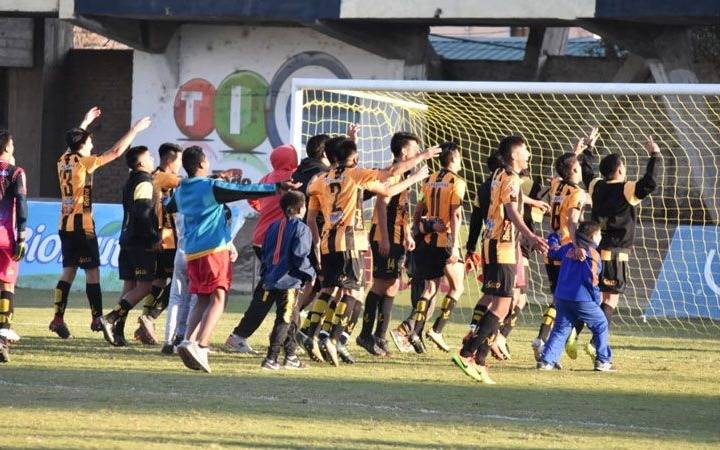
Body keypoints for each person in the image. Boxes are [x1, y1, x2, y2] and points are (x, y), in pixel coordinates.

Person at [306, 138, 436, 366]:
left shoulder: (321, 179)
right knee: (353, 292)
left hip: (328, 242)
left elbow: (310, 191)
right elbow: (388, 179)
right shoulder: (355, 175)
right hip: (349, 241)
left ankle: (311, 332)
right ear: (354, 158)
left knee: (330, 289)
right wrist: (421, 163)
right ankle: (334, 338)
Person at [166, 146, 294, 373]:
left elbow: (169, 206)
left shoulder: (181, 189)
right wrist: (276, 187)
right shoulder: (210, 186)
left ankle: (186, 340)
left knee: (202, 298)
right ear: (202, 164)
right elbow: (241, 190)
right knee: (219, 297)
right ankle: (202, 346)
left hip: (191, 252)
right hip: (213, 249)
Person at [452, 135, 549, 384]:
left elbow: (511, 199)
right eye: (525, 150)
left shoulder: (499, 174)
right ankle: (467, 353)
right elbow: (511, 210)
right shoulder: (512, 178)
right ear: (514, 155)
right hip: (503, 246)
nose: (529, 155)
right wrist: (531, 236)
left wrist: (532, 201)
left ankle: (479, 359)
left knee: (501, 304)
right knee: (502, 306)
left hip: (492, 243)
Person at [50, 109, 151, 339]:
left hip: (64, 224)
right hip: (82, 225)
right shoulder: (84, 162)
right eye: (89, 141)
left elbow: (73, 142)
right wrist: (135, 130)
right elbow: (115, 152)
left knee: (68, 272)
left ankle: (58, 318)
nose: (92, 144)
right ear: (82, 145)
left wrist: (85, 122)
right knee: (92, 272)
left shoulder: (63, 160)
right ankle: (97, 318)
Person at [574, 135, 661, 360]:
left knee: (594, 298)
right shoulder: (627, 189)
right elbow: (650, 182)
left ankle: (573, 332)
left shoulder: (596, 186)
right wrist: (655, 155)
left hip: (596, 250)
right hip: (616, 253)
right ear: (620, 170)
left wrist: (589, 149)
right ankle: (595, 343)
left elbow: (587, 172)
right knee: (610, 300)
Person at [391, 142, 467, 354]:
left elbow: (418, 212)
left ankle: (414, 332)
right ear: (453, 158)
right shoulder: (457, 182)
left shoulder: (430, 180)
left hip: (427, 242)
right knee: (457, 287)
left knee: (430, 289)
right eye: (459, 156)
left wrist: (421, 228)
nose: (461, 160)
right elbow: (456, 214)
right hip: (445, 241)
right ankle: (436, 330)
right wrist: (454, 246)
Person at [225, 143, 299, 354]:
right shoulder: (293, 177)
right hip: (278, 241)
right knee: (275, 291)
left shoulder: (267, 177)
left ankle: (284, 338)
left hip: (261, 238)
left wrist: (265, 210)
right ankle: (244, 336)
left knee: (272, 290)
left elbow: (252, 198)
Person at [531, 128, 598, 361]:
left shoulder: (556, 186)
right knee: (572, 299)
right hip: (568, 250)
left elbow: (563, 169)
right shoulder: (577, 192)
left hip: (551, 246)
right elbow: (572, 221)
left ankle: (543, 340)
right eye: (577, 166)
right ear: (575, 170)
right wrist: (578, 246)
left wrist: (576, 152)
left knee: (558, 298)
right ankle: (549, 341)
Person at [356, 132, 421, 357]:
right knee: (380, 285)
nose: (418, 152)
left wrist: (407, 233)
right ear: (403, 152)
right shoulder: (392, 173)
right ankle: (365, 334)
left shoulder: (405, 174)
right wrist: (384, 237)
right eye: (415, 149)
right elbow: (381, 206)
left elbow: (401, 208)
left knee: (392, 286)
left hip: (397, 236)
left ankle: (380, 335)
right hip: (385, 236)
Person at [99, 146, 161, 347]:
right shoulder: (144, 181)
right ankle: (110, 318)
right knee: (145, 287)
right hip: (140, 242)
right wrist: (154, 236)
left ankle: (118, 332)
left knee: (130, 287)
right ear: (141, 163)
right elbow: (143, 212)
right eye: (149, 156)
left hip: (126, 238)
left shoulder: (130, 181)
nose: (152, 159)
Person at [537, 221, 614, 372]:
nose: (600, 237)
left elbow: (552, 252)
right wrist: (596, 299)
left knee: (561, 329)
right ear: (592, 237)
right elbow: (592, 280)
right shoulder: (593, 254)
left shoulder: (568, 248)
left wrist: (553, 238)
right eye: (599, 234)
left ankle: (546, 361)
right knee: (601, 324)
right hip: (582, 298)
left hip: (562, 297)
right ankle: (603, 361)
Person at [259, 191, 315, 370]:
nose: (305, 209)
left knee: (293, 317)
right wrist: (311, 273)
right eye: (304, 206)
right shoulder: (301, 228)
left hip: (271, 278)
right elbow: (300, 255)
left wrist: (265, 274)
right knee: (284, 318)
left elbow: (264, 253)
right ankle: (271, 358)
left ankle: (290, 355)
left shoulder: (273, 226)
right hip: (288, 281)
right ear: (296, 208)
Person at [134, 143, 183, 345]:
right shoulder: (163, 177)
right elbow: (188, 183)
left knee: (160, 281)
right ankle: (150, 316)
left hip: (163, 239)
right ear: (171, 161)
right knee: (180, 283)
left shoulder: (156, 177)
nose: (180, 165)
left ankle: (145, 324)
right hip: (167, 240)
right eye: (179, 161)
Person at [0, 131, 28, 363]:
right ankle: (2, 338)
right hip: (6, 235)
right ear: (7, 147)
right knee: (7, 285)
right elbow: (22, 202)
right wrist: (22, 235)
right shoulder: (16, 172)